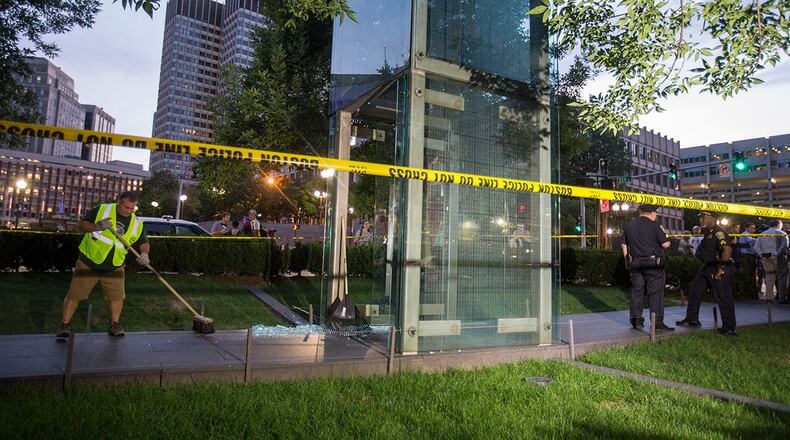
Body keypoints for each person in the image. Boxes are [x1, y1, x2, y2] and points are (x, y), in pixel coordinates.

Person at [56, 192, 149, 338]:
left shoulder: (137, 223)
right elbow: (82, 225)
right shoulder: (102, 209)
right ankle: (65, 325)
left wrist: (145, 254)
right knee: (75, 294)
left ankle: (115, 325)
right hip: (89, 261)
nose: (129, 210)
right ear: (118, 201)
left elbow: (143, 242)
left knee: (117, 297)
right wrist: (97, 226)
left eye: (133, 208)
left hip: (115, 265)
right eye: (126, 207)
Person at [677, 211, 737, 336]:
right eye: (701, 218)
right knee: (695, 288)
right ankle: (692, 319)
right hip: (707, 267)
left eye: (704, 217)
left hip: (719, 266)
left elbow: (727, 249)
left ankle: (729, 328)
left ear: (714, 218)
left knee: (723, 297)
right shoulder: (708, 232)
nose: (701, 220)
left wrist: (721, 268)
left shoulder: (718, 231)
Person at [621, 204, 674, 331]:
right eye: (655, 212)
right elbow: (665, 244)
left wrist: (627, 260)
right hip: (653, 263)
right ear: (651, 213)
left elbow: (624, 245)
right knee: (655, 293)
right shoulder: (655, 225)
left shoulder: (629, 226)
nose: (656, 215)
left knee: (636, 291)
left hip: (635, 263)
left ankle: (636, 320)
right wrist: (668, 239)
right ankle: (657, 322)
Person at [753, 219, 788, 303]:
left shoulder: (762, 234)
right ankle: (782, 298)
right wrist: (777, 254)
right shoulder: (782, 233)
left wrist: (761, 254)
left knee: (769, 277)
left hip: (765, 257)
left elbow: (756, 247)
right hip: (779, 258)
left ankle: (769, 298)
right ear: (779, 225)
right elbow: (784, 246)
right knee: (782, 277)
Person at [736, 223, 759, 298]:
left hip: (750, 255)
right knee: (747, 272)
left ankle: (749, 290)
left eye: (754, 228)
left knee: (751, 272)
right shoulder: (745, 234)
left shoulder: (749, 235)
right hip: (746, 256)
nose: (753, 229)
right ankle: (747, 290)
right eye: (752, 227)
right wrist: (760, 238)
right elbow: (752, 241)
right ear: (747, 228)